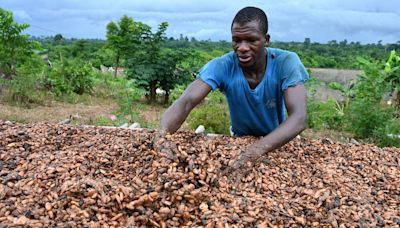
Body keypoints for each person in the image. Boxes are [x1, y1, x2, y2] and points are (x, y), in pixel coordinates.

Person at [158, 6, 308, 179]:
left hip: (279, 143)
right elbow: (186, 102)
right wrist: (162, 136)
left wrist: (253, 152)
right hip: (238, 142)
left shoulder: (286, 62)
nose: (242, 48)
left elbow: (299, 118)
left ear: (266, 40)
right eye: (237, 40)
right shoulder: (223, 65)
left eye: (251, 40)